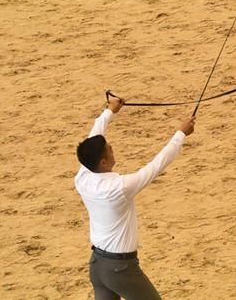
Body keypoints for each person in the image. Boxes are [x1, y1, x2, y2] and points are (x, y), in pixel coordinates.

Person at [75, 97, 195, 300]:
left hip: (98, 265)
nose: (113, 149)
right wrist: (180, 134)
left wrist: (110, 111)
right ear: (103, 162)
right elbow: (156, 166)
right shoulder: (120, 187)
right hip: (120, 269)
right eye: (109, 149)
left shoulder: (83, 176)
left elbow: (94, 135)